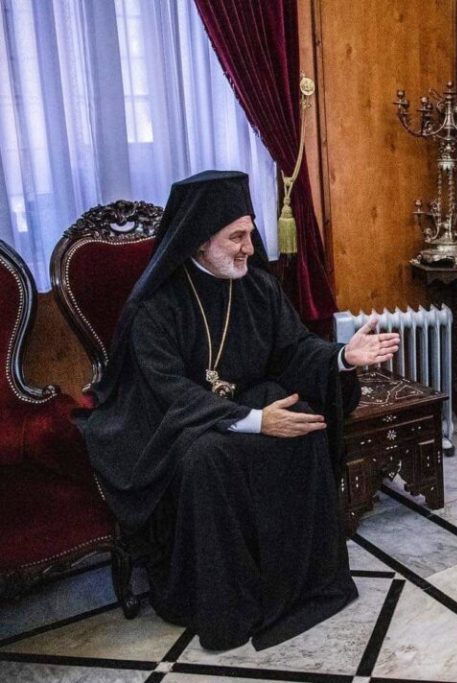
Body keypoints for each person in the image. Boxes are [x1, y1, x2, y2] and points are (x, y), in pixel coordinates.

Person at [81, 170, 400, 651]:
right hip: (177, 424)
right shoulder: (155, 306)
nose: (250, 248)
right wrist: (256, 421)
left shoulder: (258, 289)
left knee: (307, 423)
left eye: (250, 234)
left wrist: (341, 357)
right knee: (208, 458)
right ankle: (231, 607)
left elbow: (292, 350)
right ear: (199, 240)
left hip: (240, 402)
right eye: (236, 237)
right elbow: (168, 391)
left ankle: (304, 585)